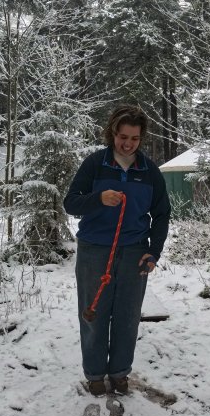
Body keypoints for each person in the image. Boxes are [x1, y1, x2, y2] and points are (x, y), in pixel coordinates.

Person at [63, 105, 171, 396]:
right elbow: (71, 203)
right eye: (123, 137)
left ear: (141, 138)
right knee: (94, 313)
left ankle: (120, 373)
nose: (128, 144)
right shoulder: (95, 164)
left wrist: (154, 251)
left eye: (134, 138)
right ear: (112, 133)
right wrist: (98, 198)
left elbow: (162, 214)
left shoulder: (149, 171)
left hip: (134, 252)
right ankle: (95, 375)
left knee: (127, 316)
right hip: (94, 251)